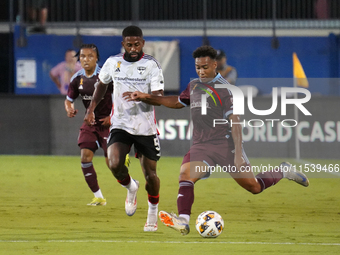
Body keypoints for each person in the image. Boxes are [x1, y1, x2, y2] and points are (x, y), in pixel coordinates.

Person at [125, 45, 309, 236]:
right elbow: (178, 102)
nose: (201, 71)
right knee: (185, 175)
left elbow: (235, 123)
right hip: (201, 146)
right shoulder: (194, 85)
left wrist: (238, 153)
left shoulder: (226, 90)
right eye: (197, 67)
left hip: (225, 145)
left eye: (205, 67)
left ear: (214, 65)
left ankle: (283, 171)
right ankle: (183, 220)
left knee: (254, 187)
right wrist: (146, 97)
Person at [84, 26, 164, 232]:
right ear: (123, 45)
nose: (134, 48)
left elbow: (159, 97)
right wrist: (91, 109)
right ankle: (131, 187)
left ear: (143, 43)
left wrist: (142, 95)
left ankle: (152, 214)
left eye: (137, 44)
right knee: (114, 164)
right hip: (120, 124)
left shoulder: (151, 65)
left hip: (145, 128)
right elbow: (101, 85)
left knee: (151, 176)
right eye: (129, 44)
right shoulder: (113, 63)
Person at [65, 44, 129, 206]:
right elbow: (68, 99)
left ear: (97, 59)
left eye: (90, 56)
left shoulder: (106, 76)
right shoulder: (76, 78)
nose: (86, 60)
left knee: (112, 164)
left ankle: (129, 180)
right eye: (83, 57)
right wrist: (69, 108)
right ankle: (99, 197)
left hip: (109, 123)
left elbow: (121, 97)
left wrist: (112, 116)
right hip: (90, 122)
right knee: (85, 157)